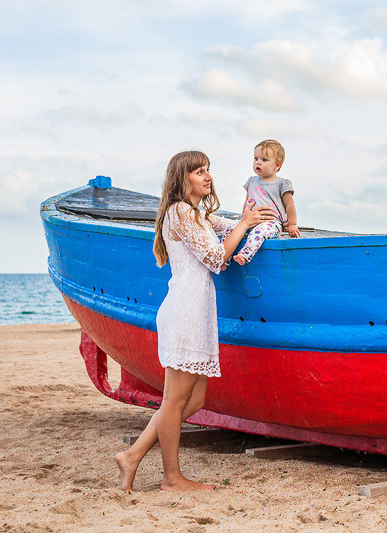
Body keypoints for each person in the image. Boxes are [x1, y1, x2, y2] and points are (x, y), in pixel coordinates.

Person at [115, 150, 272, 492]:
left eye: (208, 170)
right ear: (182, 177)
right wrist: (245, 224)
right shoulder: (180, 212)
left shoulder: (197, 214)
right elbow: (217, 257)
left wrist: (260, 221)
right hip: (185, 311)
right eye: (200, 171)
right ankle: (172, 479)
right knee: (174, 401)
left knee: (195, 401)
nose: (208, 176)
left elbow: (228, 228)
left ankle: (134, 454)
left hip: (198, 313)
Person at [232, 139, 300, 265]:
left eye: (264, 160)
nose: (258, 162)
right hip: (250, 222)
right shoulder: (251, 181)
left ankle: (245, 255)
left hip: (271, 223)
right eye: (256, 158)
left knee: (259, 232)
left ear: (277, 165)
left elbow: (289, 205)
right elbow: (247, 201)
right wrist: (243, 219)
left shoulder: (281, 183)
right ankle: (225, 259)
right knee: (231, 230)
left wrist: (292, 224)